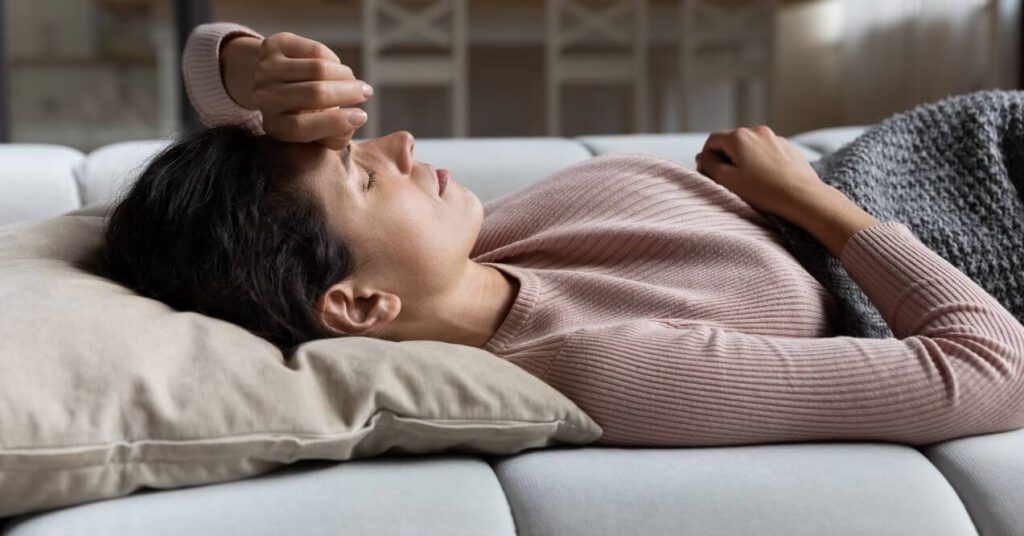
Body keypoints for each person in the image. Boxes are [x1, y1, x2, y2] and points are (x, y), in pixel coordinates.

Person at [103, 22, 1024, 448]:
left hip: (956, 150)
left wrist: (251, 64)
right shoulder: (609, 364)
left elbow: (206, 69)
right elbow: (990, 370)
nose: (401, 141)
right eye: (362, 171)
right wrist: (811, 201)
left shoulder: (481, 246)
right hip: (978, 235)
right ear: (359, 303)